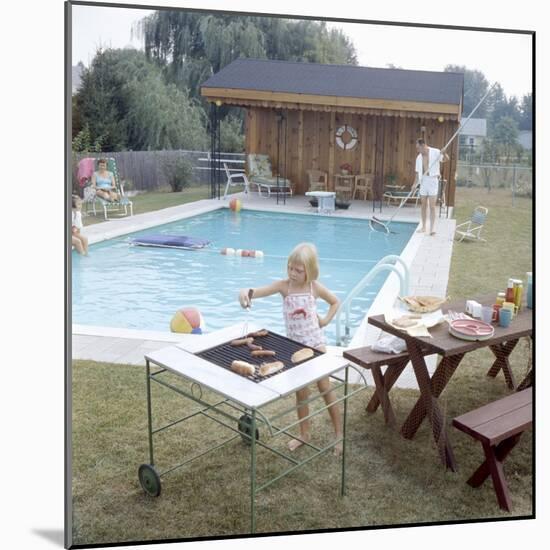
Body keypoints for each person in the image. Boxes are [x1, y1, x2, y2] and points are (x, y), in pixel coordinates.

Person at [238, 243, 343, 454]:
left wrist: (324, 321)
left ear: (309, 270)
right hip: (295, 349)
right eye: (290, 268)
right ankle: (304, 433)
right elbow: (256, 291)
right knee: (301, 393)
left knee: (325, 389)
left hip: (316, 345)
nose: (293, 273)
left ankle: (339, 434)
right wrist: (245, 293)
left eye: (298, 270)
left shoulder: (314, 287)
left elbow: (335, 302)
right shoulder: (284, 287)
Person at [414, 138, 449, 236]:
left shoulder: (436, 152)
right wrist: (414, 184)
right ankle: (424, 227)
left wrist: (444, 153)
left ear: (423, 145)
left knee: (432, 206)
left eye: (418, 148)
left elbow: (446, 160)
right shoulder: (419, 157)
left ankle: (432, 228)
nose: (417, 150)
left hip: (433, 180)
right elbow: (417, 173)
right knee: (423, 205)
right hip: (423, 180)